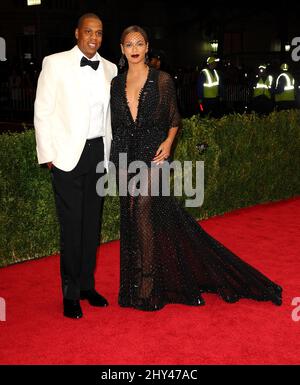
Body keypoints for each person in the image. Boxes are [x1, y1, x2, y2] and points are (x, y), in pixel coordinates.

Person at [109, 25, 282, 311]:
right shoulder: (116, 83)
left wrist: (168, 143)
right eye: (129, 44)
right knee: (130, 214)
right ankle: (135, 282)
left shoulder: (162, 79)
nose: (135, 49)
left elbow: (175, 118)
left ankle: (150, 282)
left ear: (147, 46)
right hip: (127, 155)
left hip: (154, 155)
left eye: (139, 43)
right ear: (122, 49)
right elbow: (117, 125)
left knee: (142, 208)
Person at [34, 13, 117, 319]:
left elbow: (111, 117)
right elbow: (42, 111)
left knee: (91, 226)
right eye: (88, 32)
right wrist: (48, 155)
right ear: (77, 33)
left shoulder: (109, 68)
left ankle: (86, 286)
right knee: (72, 228)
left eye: (99, 33)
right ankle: (69, 294)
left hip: (99, 152)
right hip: (68, 155)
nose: (94, 38)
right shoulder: (54, 63)